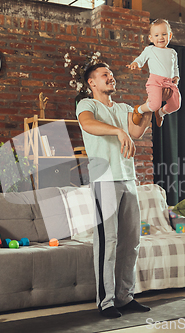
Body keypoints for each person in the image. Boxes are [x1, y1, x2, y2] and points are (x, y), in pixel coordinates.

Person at [76, 62, 155, 319]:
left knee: (131, 242)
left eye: (111, 73)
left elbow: (136, 131)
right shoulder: (87, 105)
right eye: (104, 75)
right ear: (92, 83)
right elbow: (88, 125)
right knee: (107, 243)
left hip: (128, 179)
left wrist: (150, 109)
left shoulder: (122, 109)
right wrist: (118, 131)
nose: (110, 77)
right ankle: (106, 301)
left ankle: (125, 296)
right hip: (103, 180)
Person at [127, 18, 181, 128]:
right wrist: (135, 64)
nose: (160, 37)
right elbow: (140, 59)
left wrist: (176, 76)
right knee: (155, 104)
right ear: (151, 38)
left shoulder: (172, 52)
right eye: (156, 35)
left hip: (169, 83)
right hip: (155, 82)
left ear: (170, 36)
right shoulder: (150, 49)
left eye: (164, 34)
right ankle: (139, 109)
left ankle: (160, 113)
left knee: (176, 105)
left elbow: (175, 67)